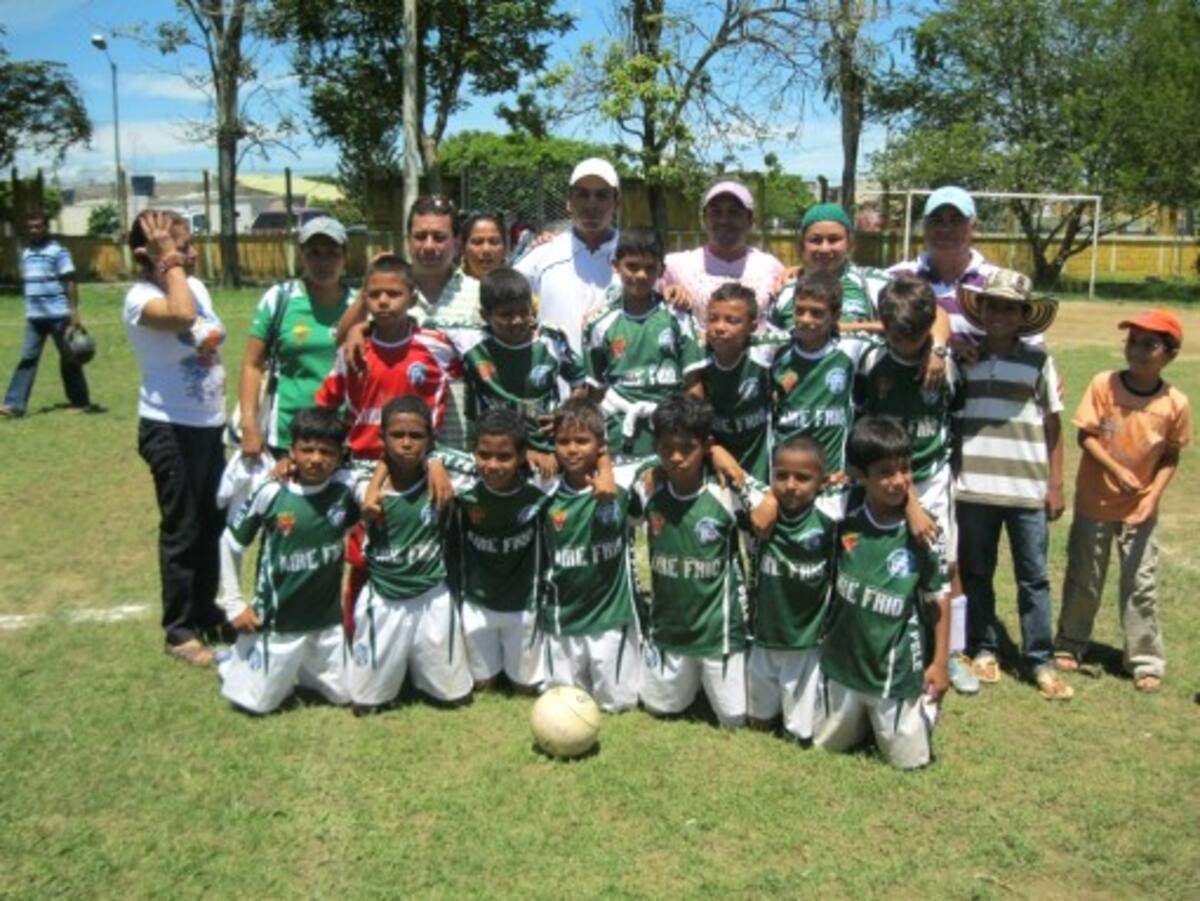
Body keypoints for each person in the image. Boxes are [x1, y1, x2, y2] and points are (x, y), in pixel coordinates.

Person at [1055, 310, 1191, 693]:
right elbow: (1087, 437)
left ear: (1170, 354)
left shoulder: (1175, 403)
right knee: (1084, 576)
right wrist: (1115, 469)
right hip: (1094, 502)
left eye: (1150, 344)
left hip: (1140, 509)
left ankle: (1145, 659)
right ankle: (1070, 642)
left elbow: (1170, 456)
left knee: (1140, 584)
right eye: (1133, 341)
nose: (1138, 350)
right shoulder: (1104, 384)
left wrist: (1152, 497)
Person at [953, 268, 1072, 700]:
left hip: (1026, 489)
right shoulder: (963, 358)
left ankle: (1039, 658)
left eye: (1010, 307)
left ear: (1024, 315)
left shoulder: (1040, 361)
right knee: (977, 571)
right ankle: (985, 649)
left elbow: (1053, 424)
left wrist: (1055, 484)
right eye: (993, 305)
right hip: (974, 488)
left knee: (1033, 576)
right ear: (981, 309)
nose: (1000, 314)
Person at [853, 277, 971, 691]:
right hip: (883, 480)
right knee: (885, 558)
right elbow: (862, 420)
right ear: (883, 325)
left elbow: (954, 417)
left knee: (943, 561)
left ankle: (953, 653)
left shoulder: (947, 364)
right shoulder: (871, 364)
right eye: (897, 335)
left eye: (915, 336)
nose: (906, 344)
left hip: (931, 474)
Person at [814, 415, 950, 770]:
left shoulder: (924, 532)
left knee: (910, 763)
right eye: (885, 473)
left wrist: (938, 664)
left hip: (893, 672)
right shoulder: (846, 509)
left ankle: (925, 707)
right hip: (844, 663)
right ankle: (857, 718)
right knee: (824, 745)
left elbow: (939, 599)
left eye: (905, 469)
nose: (898, 481)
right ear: (860, 476)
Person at [123, 209, 227, 667]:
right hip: (168, 425)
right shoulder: (139, 298)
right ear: (148, 254)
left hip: (207, 423)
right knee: (183, 526)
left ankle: (206, 609)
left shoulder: (194, 285)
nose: (188, 254)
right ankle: (180, 630)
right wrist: (169, 263)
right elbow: (184, 316)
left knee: (212, 521)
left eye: (186, 244)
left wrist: (177, 267)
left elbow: (211, 331)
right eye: (178, 246)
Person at [634, 393, 767, 729]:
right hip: (669, 629)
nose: (676, 457)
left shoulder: (725, 490)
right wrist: (645, 468)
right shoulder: (649, 486)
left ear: (705, 445)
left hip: (719, 632)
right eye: (666, 448)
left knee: (735, 719)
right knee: (657, 709)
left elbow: (767, 514)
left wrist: (727, 460)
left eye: (687, 448)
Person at [217, 407, 358, 714]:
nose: (316, 459)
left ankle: (307, 668)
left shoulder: (345, 490)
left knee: (347, 695)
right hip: (279, 623)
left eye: (326, 451)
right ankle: (233, 662)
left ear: (340, 455)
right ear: (291, 451)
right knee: (255, 706)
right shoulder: (271, 492)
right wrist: (234, 605)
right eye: (306, 450)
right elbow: (230, 544)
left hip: (327, 624)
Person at [347, 396, 474, 712]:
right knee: (366, 703)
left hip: (432, 596)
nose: (406, 443)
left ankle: (418, 669)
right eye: (397, 435)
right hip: (384, 598)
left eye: (416, 436)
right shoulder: (361, 480)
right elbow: (312, 470)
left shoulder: (448, 475)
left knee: (454, 698)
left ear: (430, 439)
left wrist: (434, 461)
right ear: (382, 438)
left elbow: (487, 464)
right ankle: (394, 670)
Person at [337, 195, 480, 448]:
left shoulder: (479, 294)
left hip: (462, 444)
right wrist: (367, 290)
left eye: (439, 237)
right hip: (400, 451)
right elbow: (341, 346)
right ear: (407, 240)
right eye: (420, 236)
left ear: (457, 242)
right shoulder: (386, 292)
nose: (428, 245)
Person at [540, 398, 642, 712]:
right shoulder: (544, 487)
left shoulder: (623, 481)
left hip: (610, 617)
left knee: (618, 704)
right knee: (564, 704)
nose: (572, 449)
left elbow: (660, 460)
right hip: (562, 617)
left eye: (582, 441)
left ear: (599, 444)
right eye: (563, 442)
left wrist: (607, 465)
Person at [315, 254, 462, 460]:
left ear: (412, 299)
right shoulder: (352, 350)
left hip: (419, 463)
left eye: (393, 294)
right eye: (374, 295)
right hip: (362, 462)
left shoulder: (438, 346)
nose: (383, 301)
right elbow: (324, 405)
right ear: (364, 299)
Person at [447, 407, 551, 692]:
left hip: (524, 604)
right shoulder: (464, 483)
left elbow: (585, 457)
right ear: (473, 452)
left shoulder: (539, 484)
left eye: (504, 457)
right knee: (483, 685)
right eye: (484, 455)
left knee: (525, 688)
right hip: (477, 603)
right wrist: (432, 463)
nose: (492, 465)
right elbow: (426, 450)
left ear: (521, 456)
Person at [582, 227, 705, 464]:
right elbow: (595, 393)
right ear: (616, 266)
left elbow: (694, 386)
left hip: (670, 435)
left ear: (661, 270)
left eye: (649, 268)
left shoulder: (678, 316)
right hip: (619, 433)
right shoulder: (598, 323)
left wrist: (696, 436)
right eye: (632, 266)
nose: (640, 275)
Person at [237, 216, 354, 457]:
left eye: (332, 253)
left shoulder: (360, 305)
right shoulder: (279, 299)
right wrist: (249, 424)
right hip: (288, 434)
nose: (323, 262)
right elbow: (252, 364)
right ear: (302, 255)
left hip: (346, 433)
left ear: (345, 257)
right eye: (314, 253)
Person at [746, 436, 836, 743]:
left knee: (798, 734)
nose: (791, 485)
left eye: (803, 477)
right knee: (757, 721)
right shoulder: (759, 507)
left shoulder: (830, 515)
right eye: (781, 475)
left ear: (821, 481)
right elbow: (728, 470)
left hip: (805, 641)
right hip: (763, 634)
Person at [458, 267, 587, 477]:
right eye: (506, 314)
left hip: (547, 455)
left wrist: (564, 416)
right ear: (485, 315)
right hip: (494, 455)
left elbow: (580, 385)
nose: (517, 320)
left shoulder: (552, 339)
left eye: (523, 311)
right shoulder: (470, 342)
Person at [770, 270, 877, 516]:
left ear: (835, 315)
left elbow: (896, 330)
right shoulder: (775, 348)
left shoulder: (851, 347)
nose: (806, 319)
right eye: (800, 311)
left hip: (832, 480)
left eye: (817, 313)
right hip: (784, 480)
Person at [515, 158, 621, 353]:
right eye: (582, 194)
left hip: (619, 381)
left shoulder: (637, 257)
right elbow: (501, 297)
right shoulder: (543, 254)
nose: (591, 205)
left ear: (617, 202)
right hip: (557, 381)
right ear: (569, 202)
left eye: (602, 195)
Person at [1, 213, 93, 418]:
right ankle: (14, 405)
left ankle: (81, 401)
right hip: (34, 317)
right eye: (31, 227)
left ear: (46, 228)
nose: (34, 230)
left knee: (69, 358)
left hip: (58, 315)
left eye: (38, 226)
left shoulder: (58, 251)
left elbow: (69, 281)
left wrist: (73, 311)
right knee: (28, 358)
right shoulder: (25, 253)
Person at [661, 179, 785, 328]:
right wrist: (666, 292)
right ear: (704, 220)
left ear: (751, 221)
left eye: (734, 212)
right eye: (715, 212)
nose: (724, 220)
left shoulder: (770, 267)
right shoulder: (675, 266)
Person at [887, 186, 996, 346]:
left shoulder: (996, 282)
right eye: (937, 220)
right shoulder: (896, 278)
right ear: (924, 226)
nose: (945, 228)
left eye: (956, 220)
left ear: (973, 227)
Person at [769, 203, 891, 330]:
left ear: (849, 243)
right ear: (802, 245)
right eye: (815, 240)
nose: (824, 249)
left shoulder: (875, 283)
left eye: (834, 240)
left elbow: (901, 328)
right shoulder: (785, 289)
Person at [699, 282, 776, 483]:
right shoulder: (697, 358)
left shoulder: (765, 352)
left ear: (753, 326)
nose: (719, 328)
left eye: (732, 321)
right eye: (713, 319)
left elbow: (814, 331)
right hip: (714, 464)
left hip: (760, 471)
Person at [460, 211, 508, 280]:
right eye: (477, 242)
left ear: (505, 248)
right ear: (463, 248)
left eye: (494, 242)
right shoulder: (446, 287)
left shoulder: (517, 288)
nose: (486, 249)